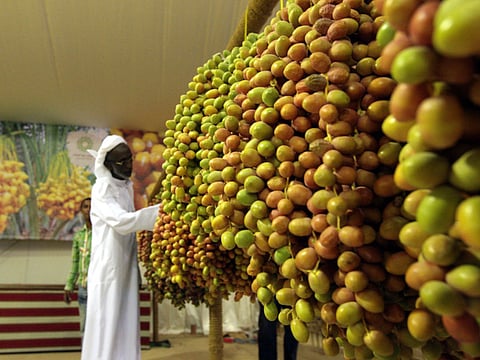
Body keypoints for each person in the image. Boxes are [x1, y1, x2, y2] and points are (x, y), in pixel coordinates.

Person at [81, 135, 160, 360]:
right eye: (120, 162)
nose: (127, 165)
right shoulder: (103, 188)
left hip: (124, 265)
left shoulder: (126, 186)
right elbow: (122, 222)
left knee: (125, 319)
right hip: (109, 268)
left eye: (129, 160)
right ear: (107, 164)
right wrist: (162, 213)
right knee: (108, 321)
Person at [64, 197, 92, 339]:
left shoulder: (102, 235)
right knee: (85, 328)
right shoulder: (78, 236)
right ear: (81, 211)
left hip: (100, 288)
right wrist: (69, 285)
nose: (89, 210)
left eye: (92, 207)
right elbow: (75, 262)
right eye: (85, 207)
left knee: (101, 328)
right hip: (83, 288)